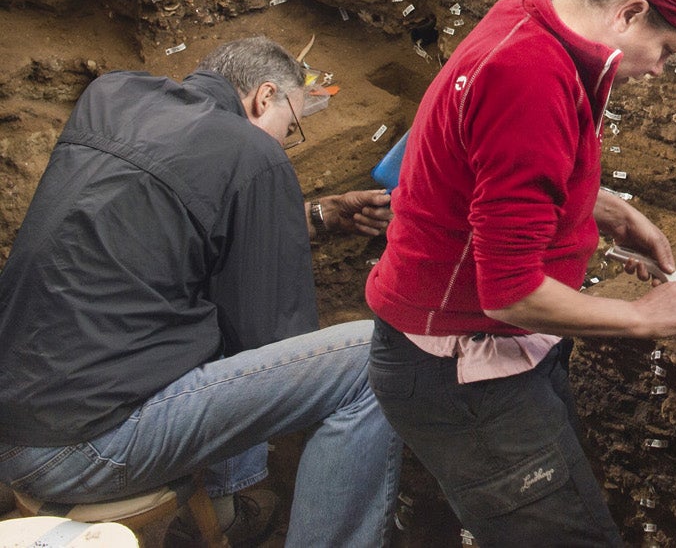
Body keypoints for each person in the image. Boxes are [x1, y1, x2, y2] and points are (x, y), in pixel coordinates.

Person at [366, 0, 676, 546]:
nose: (659, 70)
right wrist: (645, 314)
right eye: (665, 50)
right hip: (463, 372)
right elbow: (511, 292)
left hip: (488, 357)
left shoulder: (529, 23)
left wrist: (600, 207)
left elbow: (481, 166)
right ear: (629, 11)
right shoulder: (528, 77)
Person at [0, 36, 402, 548]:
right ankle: (232, 512)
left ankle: (222, 511)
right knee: (368, 360)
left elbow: (183, 228)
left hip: (14, 410)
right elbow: (271, 345)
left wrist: (317, 215)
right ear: (264, 98)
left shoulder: (111, 97)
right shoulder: (255, 153)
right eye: (292, 125)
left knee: (203, 296)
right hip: (83, 448)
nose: (284, 141)